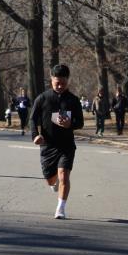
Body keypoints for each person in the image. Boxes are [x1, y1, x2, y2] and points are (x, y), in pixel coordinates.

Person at [29, 64, 84, 219]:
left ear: (68, 81)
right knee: (50, 180)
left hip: (66, 145)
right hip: (48, 145)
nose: (60, 86)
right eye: (57, 83)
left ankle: (61, 209)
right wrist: (35, 136)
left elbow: (80, 123)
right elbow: (32, 119)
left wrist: (70, 124)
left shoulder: (73, 100)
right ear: (51, 80)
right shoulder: (43, 98)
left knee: (64, 176)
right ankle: (54, 183)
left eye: (63, 83)